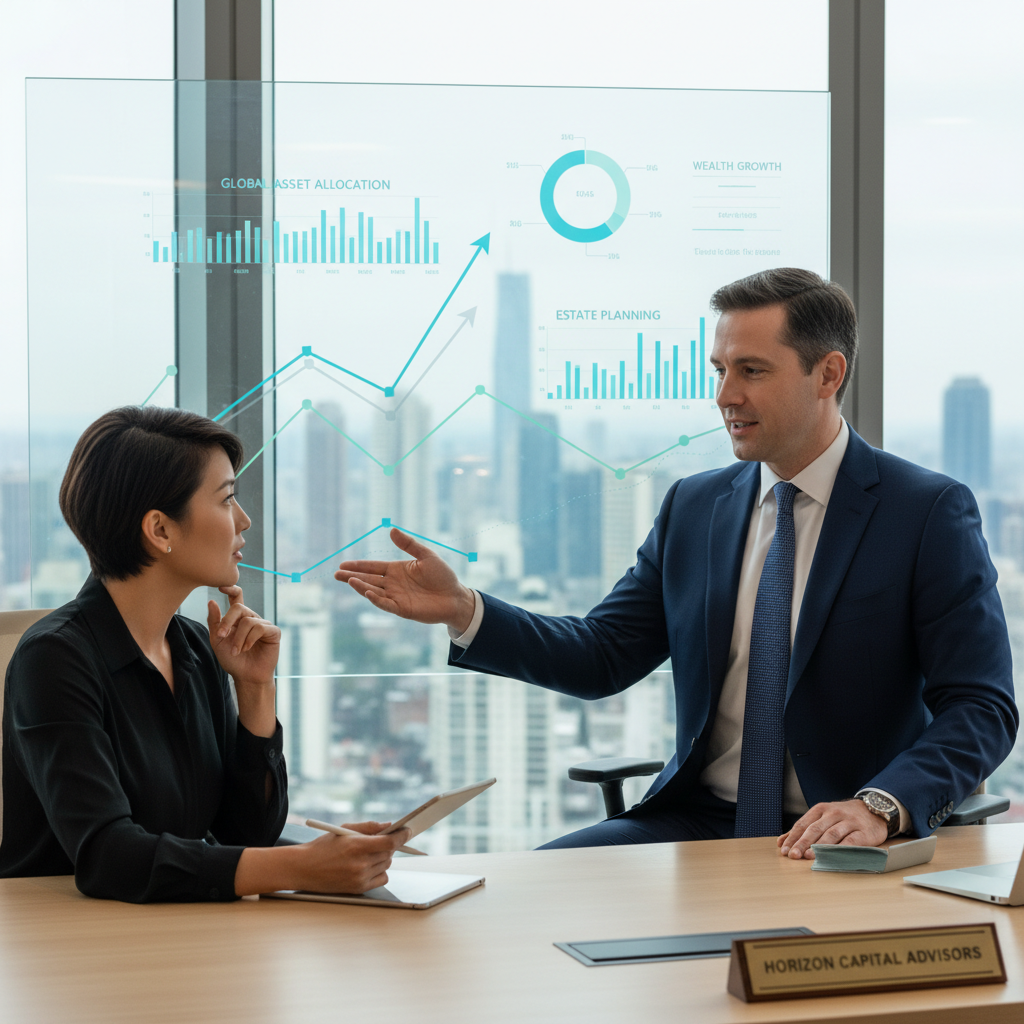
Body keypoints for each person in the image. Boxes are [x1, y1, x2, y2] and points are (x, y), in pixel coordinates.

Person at [334, 268, 1018, 857]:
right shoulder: (696, 506)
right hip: (696, 820)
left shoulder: (924, 512)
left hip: (844, 832)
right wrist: (465, 611)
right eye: (721, 370)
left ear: (828, 374)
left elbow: (981, 705)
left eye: (752, 371)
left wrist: (882, 806)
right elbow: (603, 655)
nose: (725, 395)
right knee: (527, 894)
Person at [0, 406, 408, 902]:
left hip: (181, 926)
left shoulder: (196, 647)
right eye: (227, 498)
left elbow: (246, 835)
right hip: (72, 935)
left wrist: (255, 688)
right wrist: (302, 865)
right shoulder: (53, 659)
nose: (244, 519)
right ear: (160, 530)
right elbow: (107, 855)